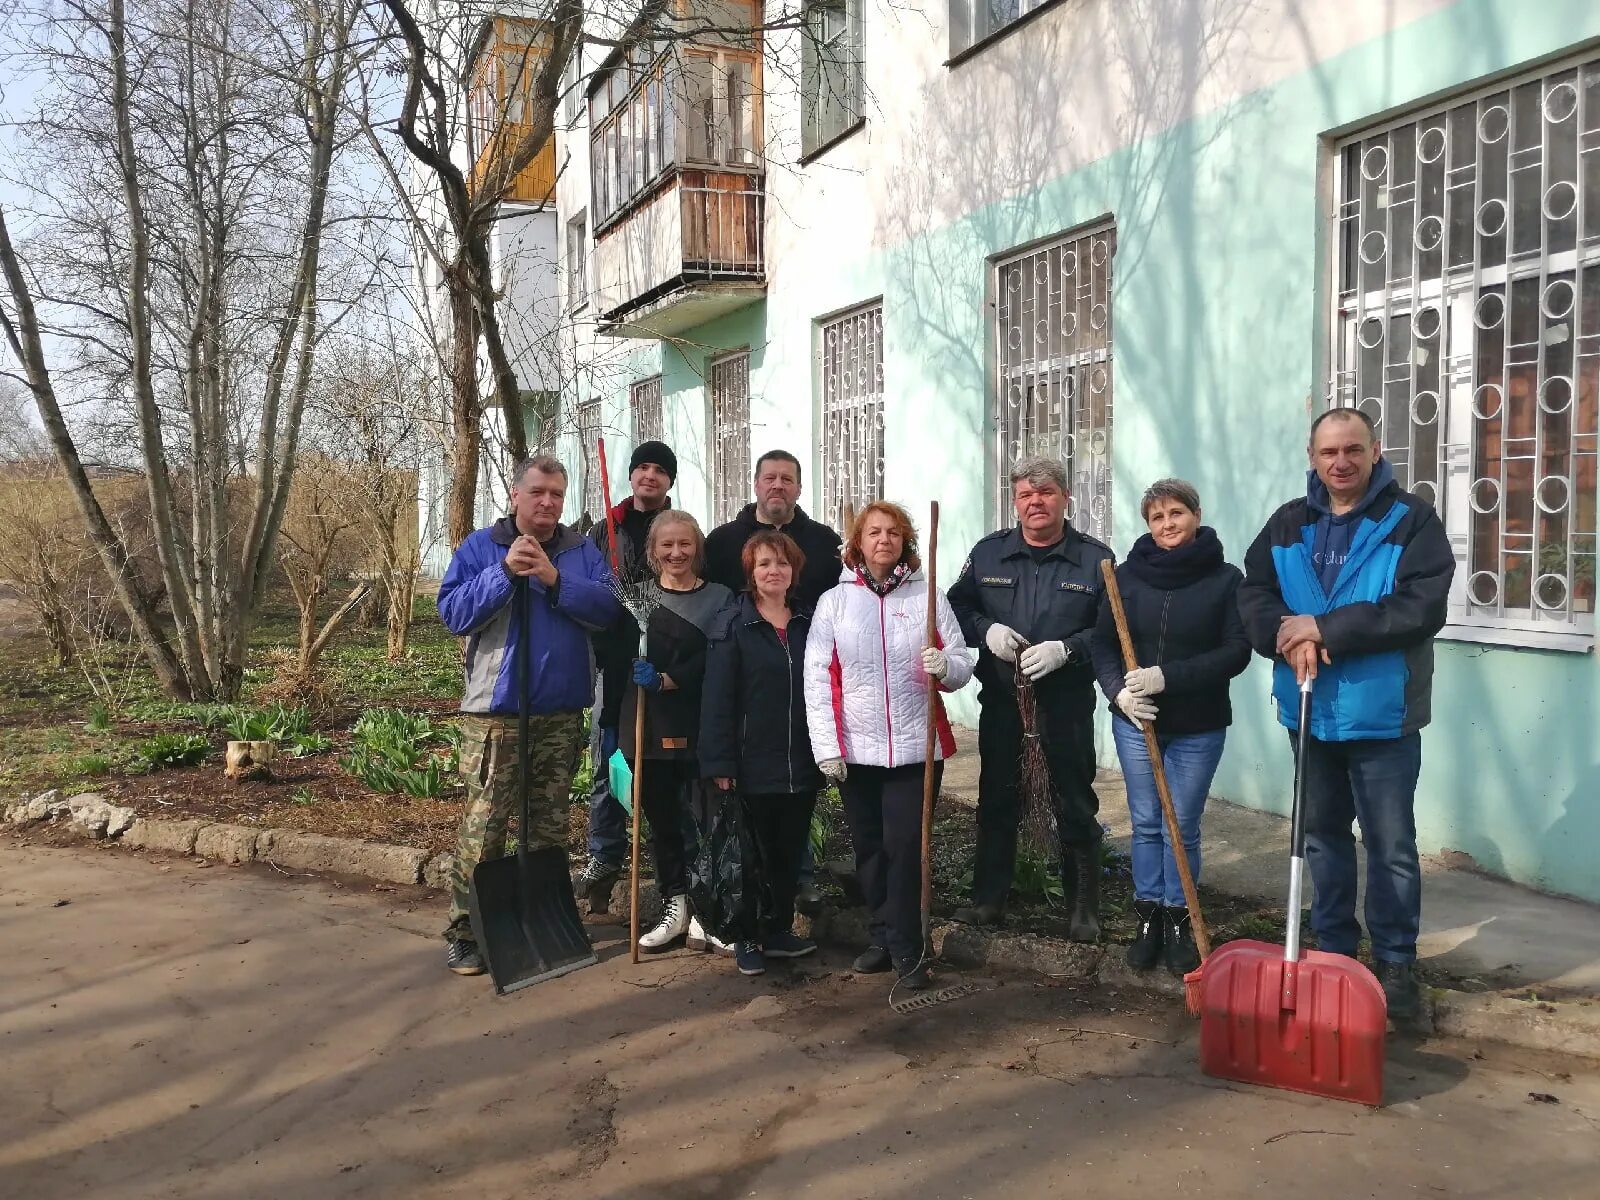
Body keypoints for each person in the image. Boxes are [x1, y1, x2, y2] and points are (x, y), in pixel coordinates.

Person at [1238, 408, 1453, 1021]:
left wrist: (1326, 627)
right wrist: (1286, 633)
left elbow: (1420, 606)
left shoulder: (1410, 520)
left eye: (1353, 450)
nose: (1341, 462)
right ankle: (1334, 951)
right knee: (1322, 840)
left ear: (1375, 450)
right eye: (1329, 452)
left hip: (1383, 712)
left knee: (1390, 845)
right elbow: (1252, 593)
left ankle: (1394, 961)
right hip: (1308, 707)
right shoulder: (1287, 523)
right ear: (1312, 456)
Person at [435, 456, 620, 977]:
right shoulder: (482, 547)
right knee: (485, 827)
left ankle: (542, 923)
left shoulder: (580, 550)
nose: (547, 502)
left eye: (556, 495)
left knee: (549, 830)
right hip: (495, 716)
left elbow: (607, 611)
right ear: (514, 496)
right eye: (537, 492)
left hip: (559, 715)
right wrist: (502, 574)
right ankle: (465, 932)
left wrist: (555, 579)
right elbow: (452, 613)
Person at [803, 501, 973, 989]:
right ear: (858, 542)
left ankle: (908, 946)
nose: (884, 540)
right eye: (874, 532)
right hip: (856, 748)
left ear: (906, 542)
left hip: (916, 749)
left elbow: (962, 662)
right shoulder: (834, 602)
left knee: (905, 845)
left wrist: (947, 666)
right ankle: (881, 933)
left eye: (894, 533)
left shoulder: (928, 597)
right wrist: (826, 747)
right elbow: (817, 678)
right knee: (870, 848)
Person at [947, 456, 1113, 942]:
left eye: (1045, 493)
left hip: (1065, 706)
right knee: (996, 799)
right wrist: (986, 630)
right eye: (1025, 494)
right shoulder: (988, 554)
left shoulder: (1095, 559)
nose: (1035, 502)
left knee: (1075, 802)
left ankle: (1083, 906)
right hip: (1002, 703)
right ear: (1015, 502)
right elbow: (958, 605)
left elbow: (1112, 627)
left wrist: (1069, 650)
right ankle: (988, 899)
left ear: (1065, 498)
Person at [1090, 479, 1251, 975]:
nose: (1168, 524)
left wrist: (1167, 677)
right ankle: (1149, 917)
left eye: (1176, 513)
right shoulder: (1126, 576)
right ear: (1148, 525)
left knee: (1181, 824)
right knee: (1145, 822)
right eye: (1157, 517)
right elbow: (1101, 643)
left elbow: (1235, 651)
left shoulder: (1226, 579)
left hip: (1197, 725)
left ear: (1196, 515)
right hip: (1136, 723)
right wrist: (1118, 692)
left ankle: (1180, 918)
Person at [704, 449, 844, 915]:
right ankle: (747, 916)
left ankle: (795, 891)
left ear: (799, 488)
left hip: (805, 700)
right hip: (750, 702)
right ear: (756, 484)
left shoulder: (824, 543)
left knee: (794, 814)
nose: (778, 485)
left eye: (787, 478)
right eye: (770, 478)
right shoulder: (723, 542)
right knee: (752, 828)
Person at [699, 530, 825, 976]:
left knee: (788, 852)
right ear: (751, 573)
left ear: (795, 571)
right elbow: (717, 700)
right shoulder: (734, 624)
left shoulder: (809, 622)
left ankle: (778, 930)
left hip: (801, 760)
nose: (775, 571)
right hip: (751, 763)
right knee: (750, 856)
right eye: (765, 564)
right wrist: (719, 763)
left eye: (783, 564)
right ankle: (747, 936)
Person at [620, 510, 736, 952]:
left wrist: (672, 679)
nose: (676, 553)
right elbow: (614, 664)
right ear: (652, 552)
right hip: (647, 726)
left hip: (702, 723)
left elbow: (722, 656)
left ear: (698, 549)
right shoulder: (635, 600)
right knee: (664, 823)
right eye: (666, 545)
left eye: (684, 544)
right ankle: (676, 905)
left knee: (706, 821)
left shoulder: (721, 598)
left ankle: (708, 912)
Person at [576, 440, 676, 913]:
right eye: (643, 468)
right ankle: (605, 852)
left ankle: (672, 862)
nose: (650, 476)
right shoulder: (604, 532)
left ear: (669, 481)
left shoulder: (677, 531)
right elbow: (590, 593)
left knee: (662, 764)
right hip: (613, 663)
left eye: (660, 470)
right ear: (632, 475)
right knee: (607, 756)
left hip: (663, 668)